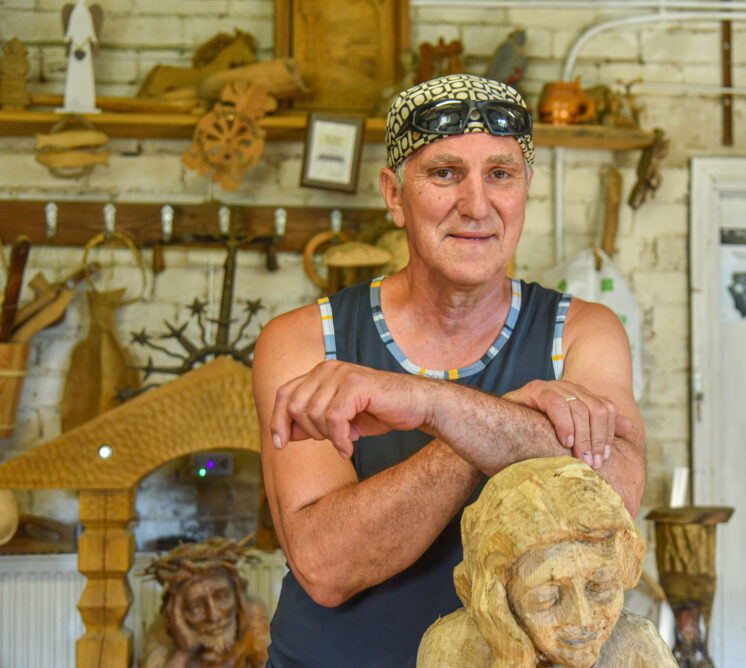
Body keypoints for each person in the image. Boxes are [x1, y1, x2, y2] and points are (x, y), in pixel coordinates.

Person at [252, 73, 646, 666]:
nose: (476, 204)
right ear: (394, 195)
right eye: (444, 173)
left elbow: (614, 498)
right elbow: (326, 566)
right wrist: (505, 426)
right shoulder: (305, 340)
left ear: (525, 189)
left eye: (500, 174)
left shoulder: (582, 331)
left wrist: (433, 405)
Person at [417, 456, 677, 667]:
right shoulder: (453, 646)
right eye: (547, 599)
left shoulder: (637, 645)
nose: (583, 618)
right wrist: (512, 660)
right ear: (499, 598)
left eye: (601, 587)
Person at [139, 538, 270, 668]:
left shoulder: (250, 614)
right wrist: (183, 653)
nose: (213, 616)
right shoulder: (167, 629)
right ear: (177, 610)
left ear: (237, 594)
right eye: (196, 606)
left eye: (222, 597)